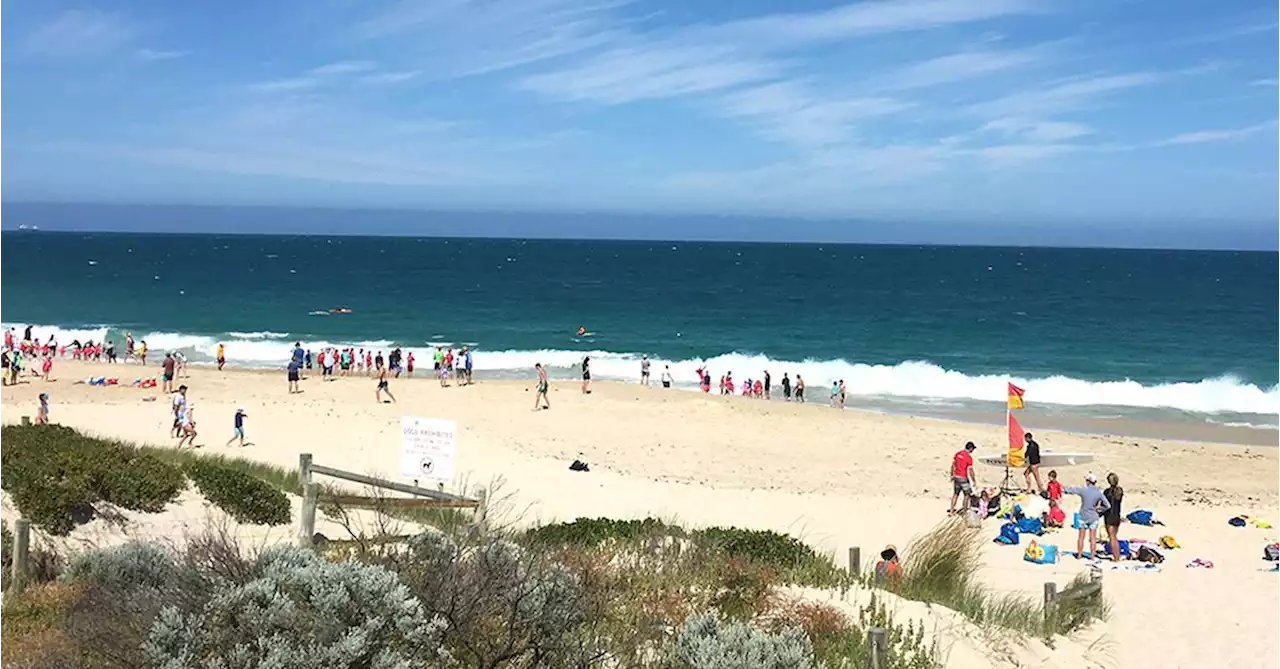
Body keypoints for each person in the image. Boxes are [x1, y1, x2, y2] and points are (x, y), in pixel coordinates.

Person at [1063, 472, 1111, 560]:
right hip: (1094, 516)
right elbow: (1107, 506)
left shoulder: (1084, 490)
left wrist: (1062, 488)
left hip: (1083, 516)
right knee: (1092, 538)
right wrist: (1099, 509)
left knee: (1081, 537)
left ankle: (1080, 555)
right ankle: (1092, 556)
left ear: (1088, 481)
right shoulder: (1099, 493)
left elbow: (1073, 490)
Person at [949, 442, 977, 514]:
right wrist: (974, 480)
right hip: (963, 477)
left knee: (955, 494)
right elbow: (971, 470)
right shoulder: (969, 458)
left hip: (956, 477)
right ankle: (964, 511)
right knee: (967, 495)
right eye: (972, 449)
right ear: (970, 448)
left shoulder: (958, 454)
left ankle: (951, 511)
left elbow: (953, 465)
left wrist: (952, 475)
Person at [1103, 473, 1124, 563]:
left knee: (1112, 538)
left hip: (1109, 516)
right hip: (1117, 516)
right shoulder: (1119, 491)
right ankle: (1117, 556)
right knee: (1114, 537)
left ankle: (1116, 558)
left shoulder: (1107, 492)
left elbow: (1104, 505)